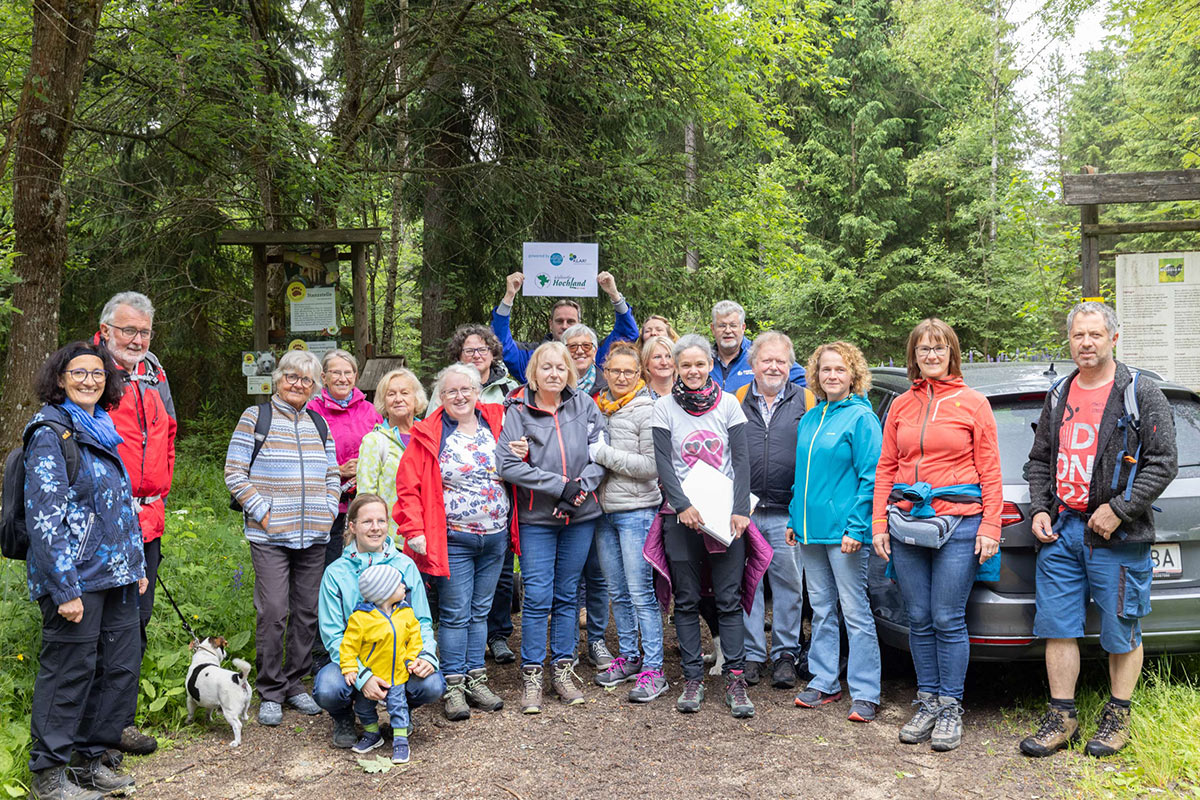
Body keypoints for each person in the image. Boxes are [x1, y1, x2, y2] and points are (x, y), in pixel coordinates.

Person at [1020, 302, 1177, 759]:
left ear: (1113, 337)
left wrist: (1122, 509)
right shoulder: (1060, 392)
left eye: (1094, 335)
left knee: (1121, 627)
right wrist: (1040, 508)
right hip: (1062, 530)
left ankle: (1117, 716)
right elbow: (1039, 460)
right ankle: (1062, 716)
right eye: (1078, 336)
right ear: (1069, 340)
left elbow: (1163, 462)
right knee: (1058, 627)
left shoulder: (1140, 392)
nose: (1085, 343)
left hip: (1116, 535)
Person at [871, 318, 1002, 752]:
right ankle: (926, 700)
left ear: (951, 353)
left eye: (939, 348)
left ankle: (950, 706)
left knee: (947, 617)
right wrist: (878, 523)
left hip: (961, 525)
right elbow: (887, 467)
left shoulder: (973, 403)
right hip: (907, 524)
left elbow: (990, 471)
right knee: (919, 617)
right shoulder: (902, 406)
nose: (931, 355)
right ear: (913, 355)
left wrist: (990, 526)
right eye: (923, 349)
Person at [24, 341, 145, 800]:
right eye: (79, 372)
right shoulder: (51, 433)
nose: (90, 380)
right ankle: (49, 776)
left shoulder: (103, 426)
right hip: (75, 578)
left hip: (115, 575)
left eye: (97, 373)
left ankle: (90, 761)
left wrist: (135, 565)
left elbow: (117, 507)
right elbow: (44, 518)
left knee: (116, 670)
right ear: (60, 378)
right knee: (69, 673)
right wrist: (64, 587)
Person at [225, 349, 340, 726]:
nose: (298, 384)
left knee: (307, 613)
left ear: (314, 386)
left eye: (306, 380)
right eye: (291, 376)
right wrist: (264, 512)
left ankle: (295, 684)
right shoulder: (255, 418)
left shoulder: (319, 423)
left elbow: (332, 473)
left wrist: (327, 508)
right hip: (270, 535)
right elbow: (234, 473)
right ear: (278, 379)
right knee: (274, 612)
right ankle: (270, 690)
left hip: (314, 535)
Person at [393, 364, 513, 721]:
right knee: (456, 613)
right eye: (451, 392)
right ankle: (453, 685)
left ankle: (476, 677)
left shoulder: (498, 421)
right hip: (453, 538)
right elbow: (407, 486)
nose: (460, 396)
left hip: (495, 535)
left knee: (480, 611)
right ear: (440, 398)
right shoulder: (429, 433)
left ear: (478, 391)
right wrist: (414, 530)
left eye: (467, 389)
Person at [649, 334, 756, 718]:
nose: (693, 371)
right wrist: (682, 506)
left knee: (728, 599)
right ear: (676, 368)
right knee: (688, 598)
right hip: (680, 516)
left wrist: (741, 509)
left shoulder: (728, 404)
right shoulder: (663, 408)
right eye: (685, 365)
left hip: (725, 513)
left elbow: (741, 461)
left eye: (699, 364)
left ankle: (736, 680)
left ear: (710, 364)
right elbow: (663, 463)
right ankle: (692, 678)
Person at [497, 342, 606, 713]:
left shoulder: (586, 405)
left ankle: (562, 668)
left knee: (566, 594)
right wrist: (560, 486)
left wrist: (578, 491)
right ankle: (531, 674)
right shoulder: (517, 410)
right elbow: (507, 466)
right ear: (534, 372)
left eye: (561, 368)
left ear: (570, 373)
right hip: (536, 519)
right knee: (537, 595)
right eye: (546, 367)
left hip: (580, 516)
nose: (554, 374)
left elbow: (600, 456)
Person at [93, 292, 176, 757]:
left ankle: (119, 725)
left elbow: (168, 434)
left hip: (150, 519)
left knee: (134, 626)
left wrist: (159, 490)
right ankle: (93, 735)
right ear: (105, 330)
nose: (137, 339)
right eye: (129, 330)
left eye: (144, 331)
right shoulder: (88, 371)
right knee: (100, 629)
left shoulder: (154, 372)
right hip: (105, 521)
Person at [787, 341, 883, 722]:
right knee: (823, 610)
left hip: (846, 534)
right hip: (810, 533)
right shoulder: (811, 417)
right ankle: (824, 680)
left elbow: (870, 478)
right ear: (816, 374)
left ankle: (866, 691)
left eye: (840, 370)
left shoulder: (862, 418)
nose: (832, 376)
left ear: (853, 375)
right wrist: (795, 519)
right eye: (826, 370)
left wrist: (858, 527)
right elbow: (801, 477)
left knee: (855, 611)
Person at [313, 494, 443, 749]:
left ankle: (401, 711)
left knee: (432, 683)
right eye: (367, 521)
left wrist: (427, 656)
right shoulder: (336, 573)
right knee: (328, 687)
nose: (375, 527)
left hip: (398, 659)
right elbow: (333, 636)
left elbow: (422, 620)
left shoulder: (405, 565)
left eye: (381, 521)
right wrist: (362, 676)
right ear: (352, 526)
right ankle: (344, 717)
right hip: (354, 660)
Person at [589, 342, 669, 701]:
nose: (621, 377)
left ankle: (655, 668)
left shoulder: (646, 410)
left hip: (636, 512)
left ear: (640, 375)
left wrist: (604, 455)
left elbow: (651, 467)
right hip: (603, 513)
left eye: (629, 372)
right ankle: (630, 655)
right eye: (615, 371)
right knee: (617, 592)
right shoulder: (597, 408)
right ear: (605, 372)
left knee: (640, 593)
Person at [735, 332, 813, 688]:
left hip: (787, 511)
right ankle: (752, 654)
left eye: (781, 361)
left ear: (790, 365)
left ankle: (785, 653)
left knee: (788, 585)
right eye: (766, 360)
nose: (774, 367)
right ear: (752, 365)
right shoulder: (735, 399)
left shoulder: (807, 400)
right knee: (748, 585)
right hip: (746, 510)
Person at [562, 322, 612, 667]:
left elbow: (605, 449)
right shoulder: (548, 388)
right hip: (558, 499)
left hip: (598, 495)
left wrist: (584, 485)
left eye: (587, 346)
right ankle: (565, 647)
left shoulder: (608, 386)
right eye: (573, 346)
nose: (581, 351)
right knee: (565, 577)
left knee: (597, 573)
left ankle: (596, 640)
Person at [339, 564, 422, 764]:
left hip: (397, 675)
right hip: (372, 675)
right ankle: (372, 733)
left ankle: (401, 740)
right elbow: (348, 646)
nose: (404, 586)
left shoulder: (405, 612)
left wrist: (412, 658)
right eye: (398, 584)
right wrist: (350, 667)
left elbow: (415, 638)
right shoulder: (361, 619)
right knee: (364, 707)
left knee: (398, 707)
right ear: (383, 592)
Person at [308, 349, 384, 567]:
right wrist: (338, 470)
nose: (343, 379)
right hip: (325, 502)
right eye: (336, 373)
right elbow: (301, 457)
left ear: (355, 375)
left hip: (363, 502)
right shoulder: (312, 411)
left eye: (348, 373)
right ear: (323, 377)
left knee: (364, 563)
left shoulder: (370, 411)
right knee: (328, 563)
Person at [491, 270, 639, 382]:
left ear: (579, 323)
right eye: (559, 321)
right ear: (550, 324)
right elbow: (499, 342)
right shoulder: (532, 356)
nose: (565, 326)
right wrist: (509, 296)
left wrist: (614, 295)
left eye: (571, 321)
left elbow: (627, 334)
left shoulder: (595, 353)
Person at [357, 368, 427, 537]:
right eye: (391, 394)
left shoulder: (429, 436)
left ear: (415, 398)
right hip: (392, 539)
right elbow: (366, 496)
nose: (398, 399)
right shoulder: (374, 441)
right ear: (383, 401)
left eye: (405, 393)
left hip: (429, 534)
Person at [708, 300, 805, 392]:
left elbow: (808, 382)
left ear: (743, 328)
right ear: (713, 328)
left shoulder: (759, 353)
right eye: (722, 326)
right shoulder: (704, 360)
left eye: (733, 325)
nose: (728, 331)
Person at [445, 324, 520, 404]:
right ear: (459, 356)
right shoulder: (446, 387)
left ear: (493, 354)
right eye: (469, 351)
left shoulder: (509, 388)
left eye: (482, 350)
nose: (476, 356)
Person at [642, 335, 676, 400]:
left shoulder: (687, 393)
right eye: (657, 357)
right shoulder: (640, 396)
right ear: (646, 362)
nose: (664, 362)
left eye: (669, 356)